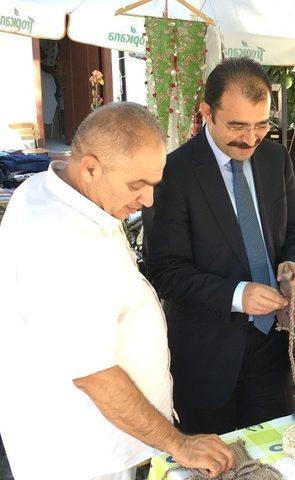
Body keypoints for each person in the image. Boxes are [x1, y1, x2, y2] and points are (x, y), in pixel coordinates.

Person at [0, 102, 234, 480]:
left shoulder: (53, 188)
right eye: (136, 185)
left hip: (98, 440)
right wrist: (178, 443)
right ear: (90, 167)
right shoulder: (60, 242)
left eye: (153, 185)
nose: (148, 200)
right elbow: (94, 374)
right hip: (79, 455)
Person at [144, 58, 295, 435]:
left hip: (272, 350)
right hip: (207, 358)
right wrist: (238, 295)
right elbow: (164, 272)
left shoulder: (275, 158)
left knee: (272, 458)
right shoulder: (172, 173)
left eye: (261, 125)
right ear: (207, 112)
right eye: (237, 125)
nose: (250, 139)